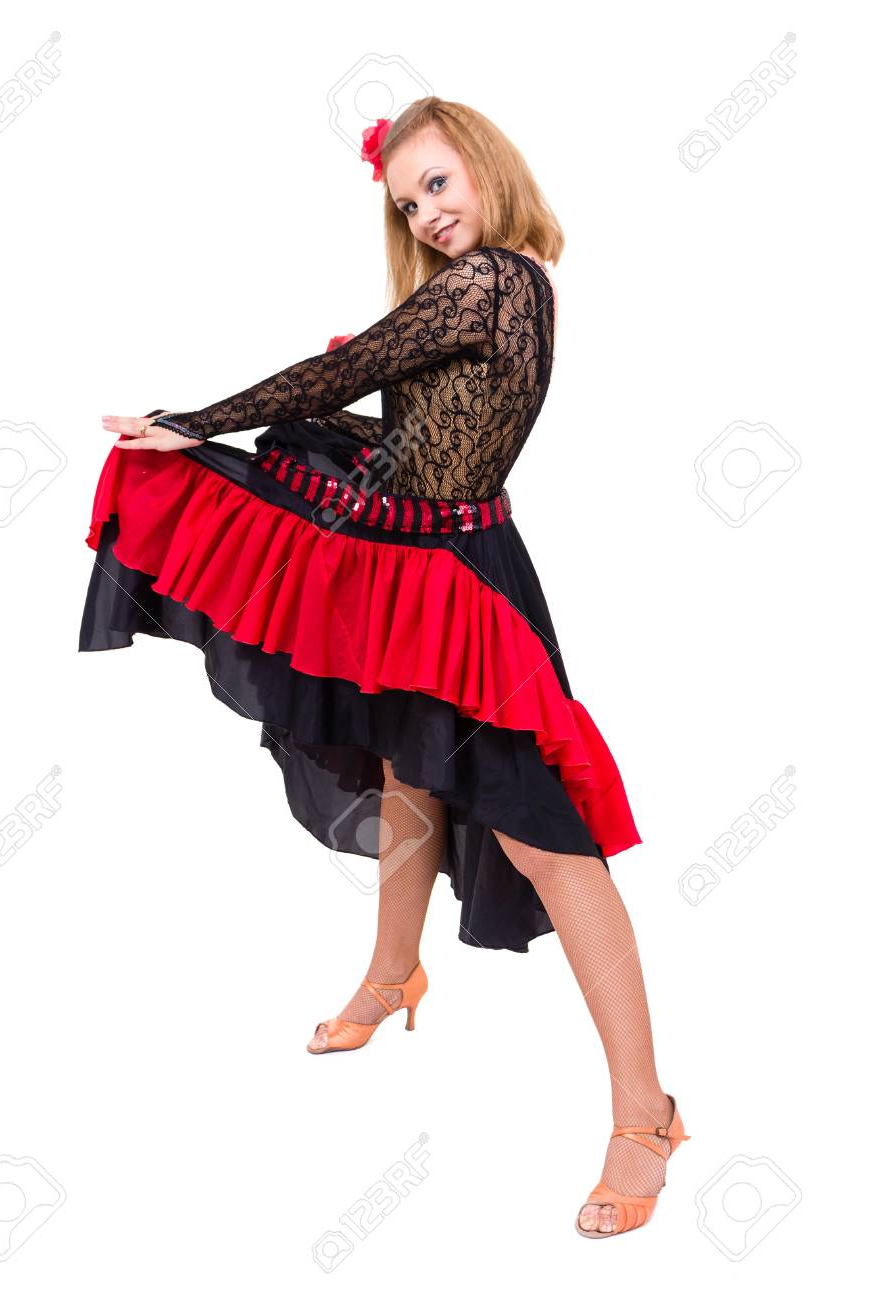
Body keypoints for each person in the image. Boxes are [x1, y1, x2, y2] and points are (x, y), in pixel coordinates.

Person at [79, 95, 690, 1238]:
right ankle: (391, 973)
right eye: (409, 201)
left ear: (486, 167)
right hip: (408, 562)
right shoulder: (460, 290)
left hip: (460, 584)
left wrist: (195, 418)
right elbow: (411, 415)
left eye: (440, 184)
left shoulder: (500, 279)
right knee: (408, 770)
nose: (427, 211)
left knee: (547, 840)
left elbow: (352, 367)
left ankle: (644, 1113)